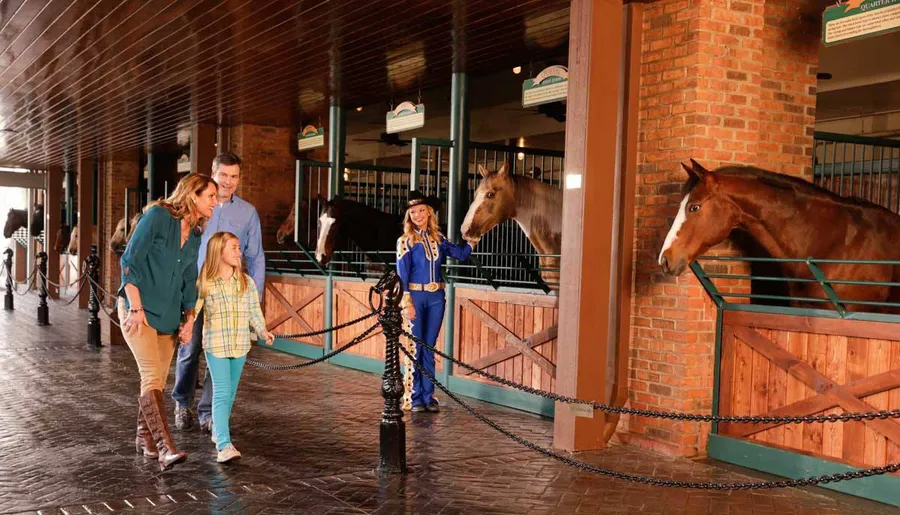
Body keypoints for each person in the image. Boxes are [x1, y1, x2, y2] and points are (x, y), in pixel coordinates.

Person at [118, 173, 218, 471]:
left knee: (157, 381)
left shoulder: (197, 235)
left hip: (169, 316)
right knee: (151, 376)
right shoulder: (158, 217)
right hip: (141, 311)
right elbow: (129, 262)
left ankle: (144, 439)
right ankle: (165, 447)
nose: (216, 201)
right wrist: (135, 308)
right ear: (192, 195)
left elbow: (189, 279)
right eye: (210, 196)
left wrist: (189, 320)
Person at [172, 152, 265, 432]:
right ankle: (182, 403)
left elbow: (256, 257)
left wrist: (253, 300)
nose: (228, 182)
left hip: (230, 296)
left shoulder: (247, 213)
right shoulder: (198, 208)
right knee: (190, 350)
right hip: (197, 291)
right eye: (223, 175)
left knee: (222, 354)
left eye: (234, 176)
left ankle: (209, 412)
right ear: (212, 174)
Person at [194, 231, 275, 462]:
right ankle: (224, 445)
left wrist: (262, 331)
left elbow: (253, 312)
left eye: (239, 248)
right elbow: (194, 311)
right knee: (221, 392)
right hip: (216, 345)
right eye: (234, 248)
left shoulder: (246, 282)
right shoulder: (206, 283)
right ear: (219, 251)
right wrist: (186, 328)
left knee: (230, 393)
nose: (239, 252)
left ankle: (219, 430)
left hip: (240, 345)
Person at [396, 191, 472, 413]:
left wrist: (472, 239)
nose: (418, 215)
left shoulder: (438, 238)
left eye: (421, 210)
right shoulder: (405, 241)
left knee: (429, 346)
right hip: (415, 297)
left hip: (437, 297)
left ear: (429, 212)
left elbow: (461, 255)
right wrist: (406, 303)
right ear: (409, 216)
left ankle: (428, 396)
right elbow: (402, 275)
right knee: (415, 346)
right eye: (413, 212)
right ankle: (414, 397)